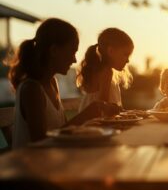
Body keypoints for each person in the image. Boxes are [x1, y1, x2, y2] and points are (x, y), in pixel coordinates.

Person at [8, 18, 117, 148]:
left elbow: (62, 131)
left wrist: (91, 120)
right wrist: (87, 114)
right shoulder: (31, 89)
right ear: (54, 51)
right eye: (72, 52)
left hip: (53, 161)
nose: (74, 59)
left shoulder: (52, 83)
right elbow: (40, 143)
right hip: (32, 165)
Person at [77, 28, 133, 112]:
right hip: (96, 123)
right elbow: (103, 108)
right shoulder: (106, 72)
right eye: (126, 54)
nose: (128, 60)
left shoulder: (98, 70)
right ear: (110, 51)